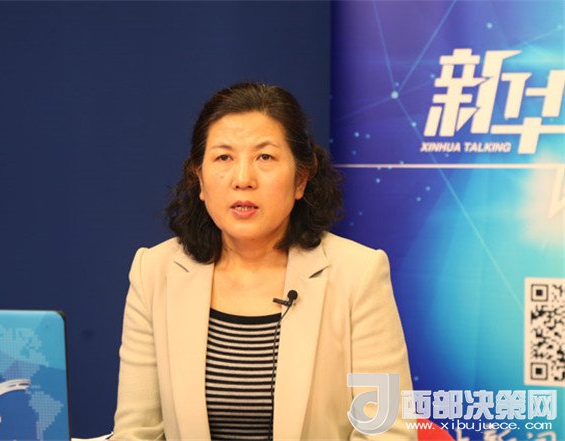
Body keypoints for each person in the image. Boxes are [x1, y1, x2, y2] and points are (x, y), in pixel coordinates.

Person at [113, 82, 416, 441]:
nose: (243, 179)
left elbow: (387, 431)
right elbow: (137, 431)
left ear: (300, 179)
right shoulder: (155, 272)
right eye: (224, 158)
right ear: (200, 180)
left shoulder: (358, 274)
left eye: (265, 158)